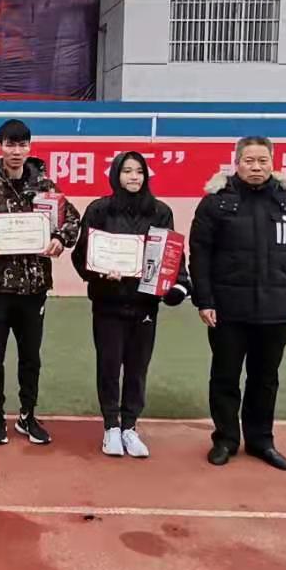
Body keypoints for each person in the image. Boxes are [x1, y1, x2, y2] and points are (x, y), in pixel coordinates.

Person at [189, 136, 286, 471]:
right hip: (228, 308)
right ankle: (225, 439)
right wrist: (204, 300)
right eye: (249, 161)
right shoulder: (216, 203)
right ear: (237, 163)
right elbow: (200, 254)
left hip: (275, 307)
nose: (256, 167)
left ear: (272, 162)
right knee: (225, 377)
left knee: (265, 378)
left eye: (262, 161)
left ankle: (261, 441)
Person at [0, 119, 80, 447]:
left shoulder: (46, 186)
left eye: (22, 144)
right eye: (10, 144)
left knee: (30, 357)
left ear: (30, 147)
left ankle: (27, 415)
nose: (16, 151)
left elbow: (72, 219)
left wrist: (59, 239)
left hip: (33, 288)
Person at [71, 151, 189, 458]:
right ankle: (111, 426)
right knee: (109, 366)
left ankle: (130, 427)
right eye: (127, 171)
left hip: (144, 306)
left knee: (137, 369)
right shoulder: (99, 210)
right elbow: (81, 254)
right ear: (116, 175)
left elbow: (173, 255)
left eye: (139, 171)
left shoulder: (160, 211)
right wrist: (99, 271)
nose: (134, 177)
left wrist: (179, 285)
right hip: (107, 303)